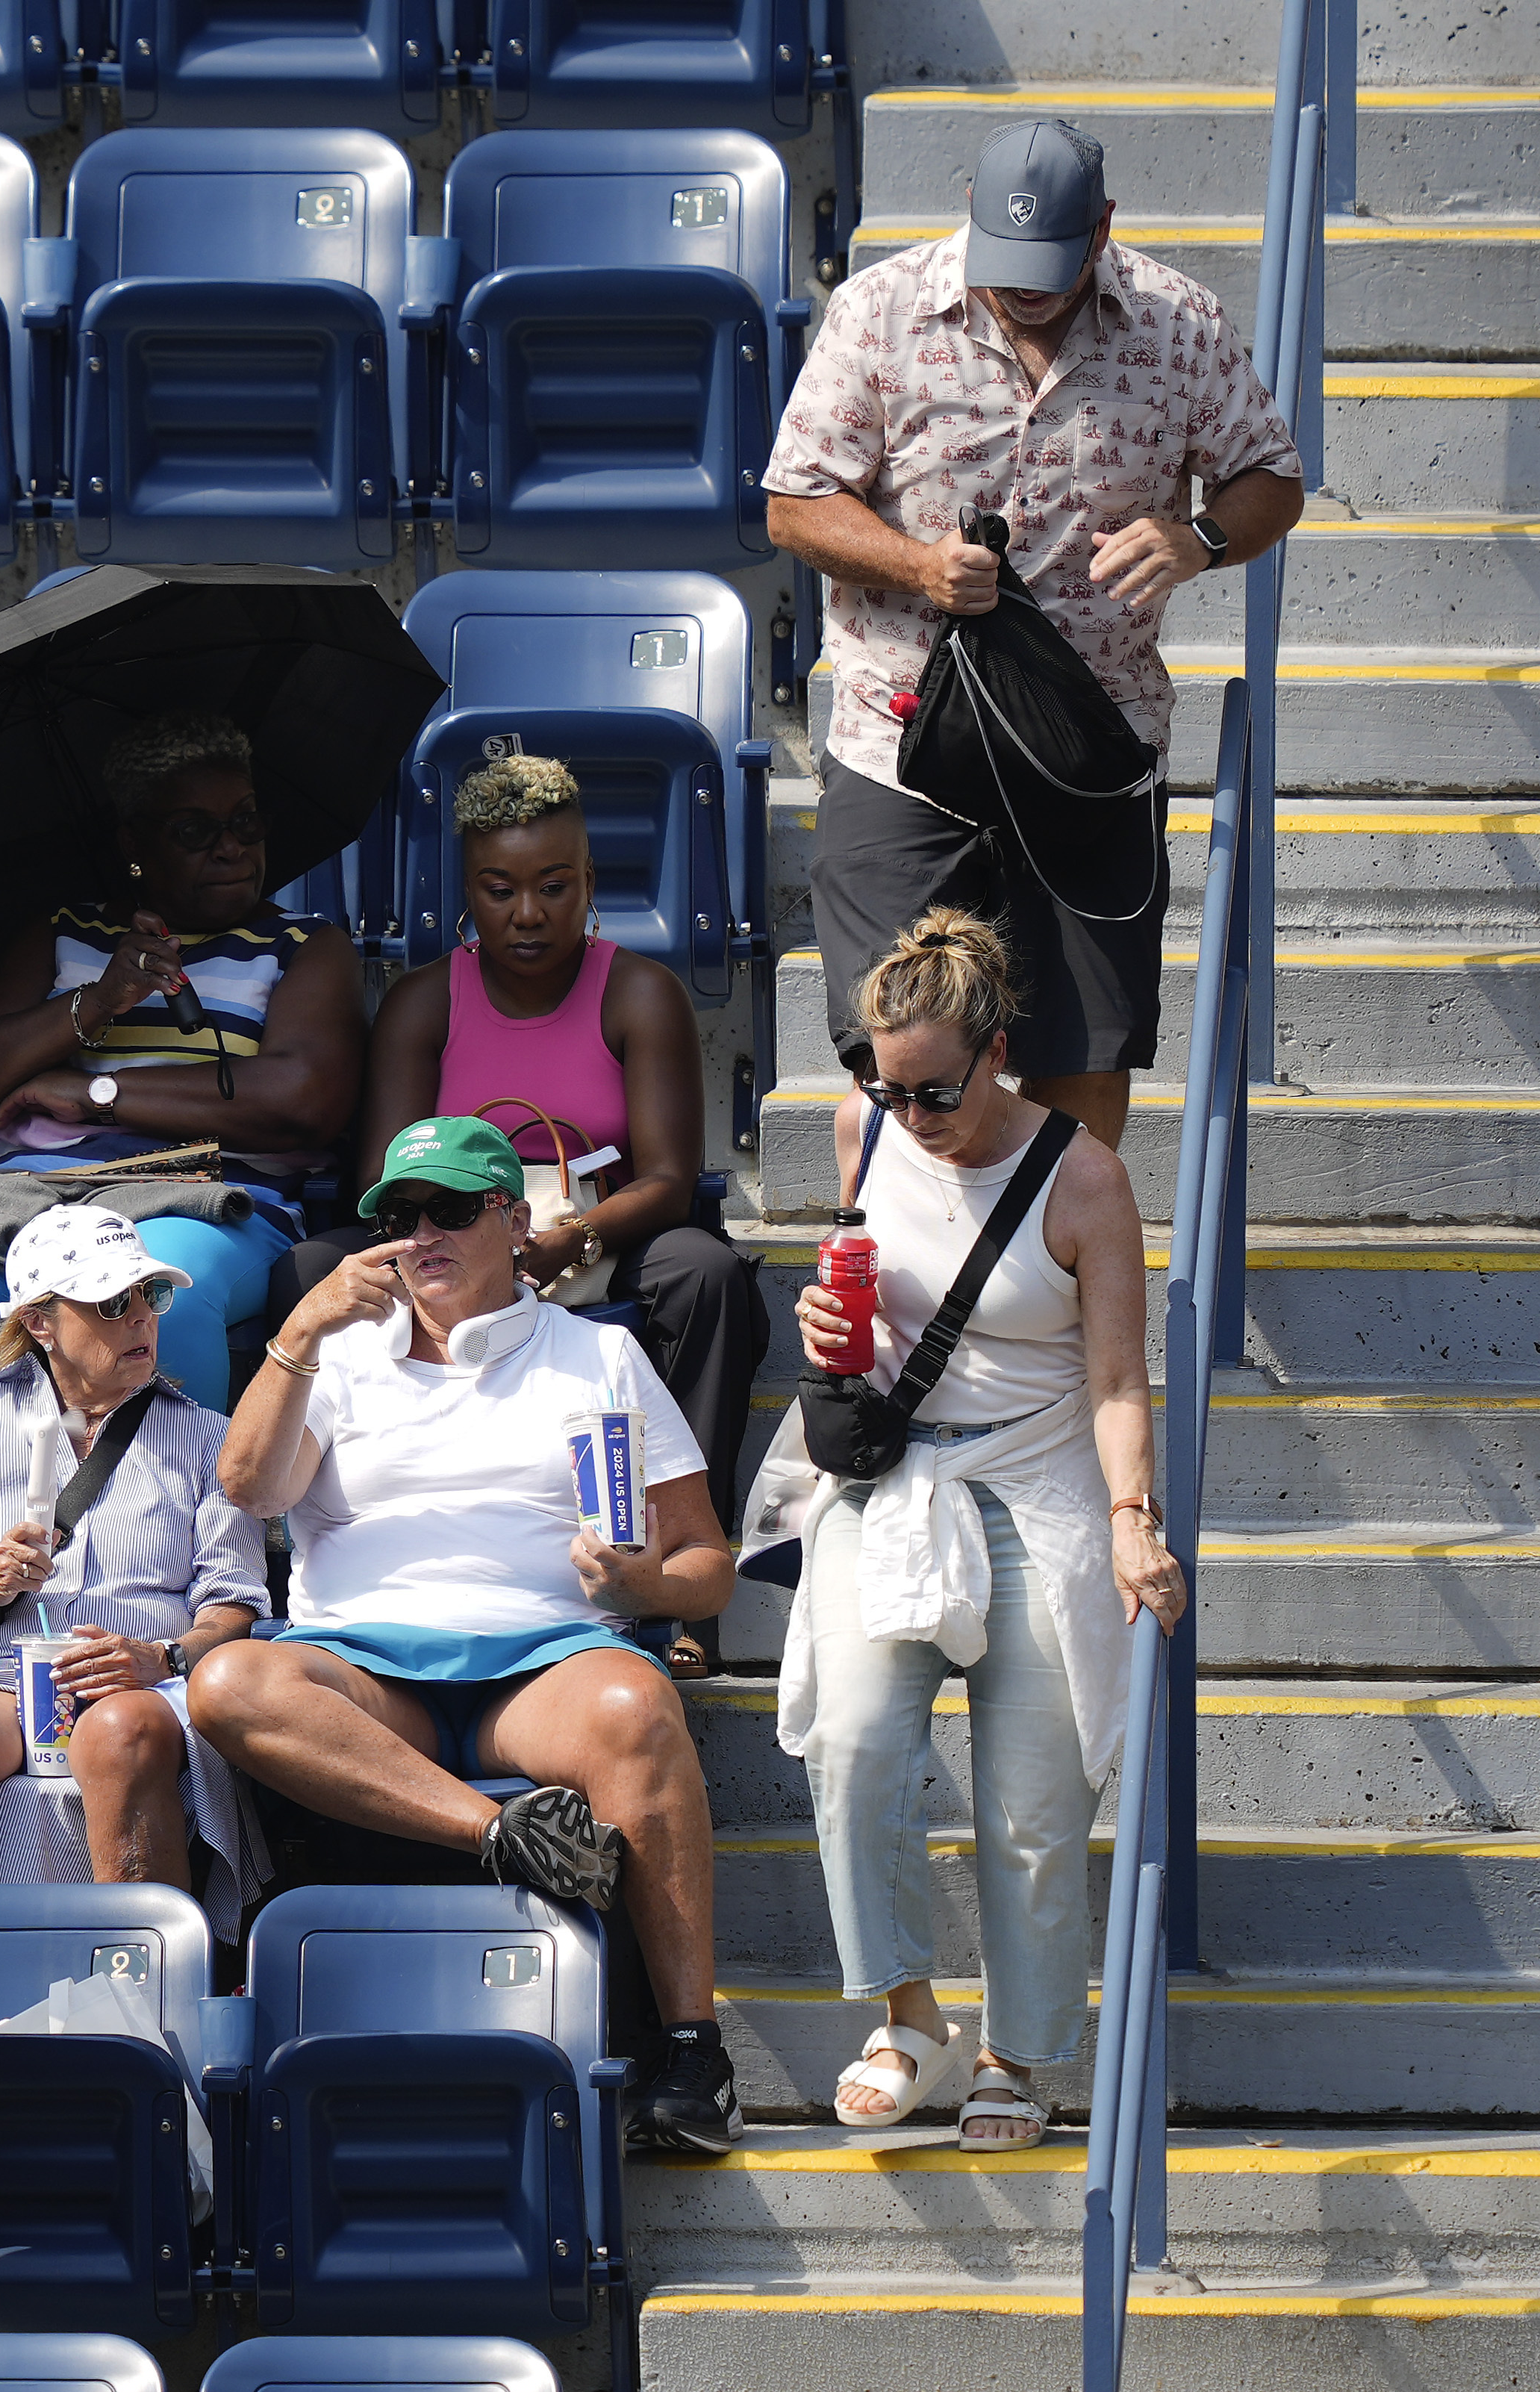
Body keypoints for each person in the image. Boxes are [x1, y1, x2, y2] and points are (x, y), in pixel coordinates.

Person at [194, 1113, 744, 2152]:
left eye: (449, 1210)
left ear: (511, 1217)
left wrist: (642, 1578)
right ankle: (495, 1833)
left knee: (637, 1702)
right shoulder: (335, 1356)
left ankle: (692, 2049)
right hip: (364, 1665)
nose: (421, 1235)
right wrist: (299, 1332)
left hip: (542, 1658)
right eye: (398, 1216)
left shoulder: (599, 1352)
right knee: (227, 1683)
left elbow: (708, 1570)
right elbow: (248, 1485)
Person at [765, 116, 1305, 1148]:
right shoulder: (878, 308)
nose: (1024, 290)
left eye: (1050, 264)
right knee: (902, 1065)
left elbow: (1272, 480)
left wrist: (1198, 536)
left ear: (1102, 230)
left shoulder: (1177, 321)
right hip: (900, 747)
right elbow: (796, 505)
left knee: (1081, 1065)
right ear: (968, 216)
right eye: (1003, 263)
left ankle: (1064, 1303)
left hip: (1089, 757)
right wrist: (917, 564)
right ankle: (912, 1305)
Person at [759, 910, 1182, 2151]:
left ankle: (1016, 2051)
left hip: (1037, 1482)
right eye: (880, 1085)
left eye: (933, 1089)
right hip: (893, 1479)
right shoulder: (865, 1128)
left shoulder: (1081, 1176)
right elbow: (854, 1298)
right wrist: (825, 1342)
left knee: (1031, 1800)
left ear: (997, 1051)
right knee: (848, 1743)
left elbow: (1115, 1380)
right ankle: (905, 2017)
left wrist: (1129, 1518)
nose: (905, 1113)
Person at [263, 751, 765, 1673]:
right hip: (455, 1224)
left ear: (589, 884)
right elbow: (387, 1173)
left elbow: (669, 1174)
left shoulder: (639, 991)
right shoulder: (423, 1001)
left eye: (553, 886)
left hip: (602, 1227)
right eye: (499, 889)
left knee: (709, 1274)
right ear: (467, 891)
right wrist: (474, 1235)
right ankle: (284, 1570)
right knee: (303, 1269)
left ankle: (689, 1597)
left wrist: (558, 1243)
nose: (527, 913)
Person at [0, 714, 362, 1451]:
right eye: (194, 830)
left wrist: (92, 1093)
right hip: (19, 1185)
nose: (232, 845)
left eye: (245, 821)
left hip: (197, 1194)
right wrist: (97, 1002)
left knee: (162, 1294)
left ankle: (164, 1546)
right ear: (134, 844)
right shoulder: (61, 932)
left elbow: (301, 1101)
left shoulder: (304, 945)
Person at [0, 1204, 266, 1892]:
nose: (141, 1317)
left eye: (150, 1295)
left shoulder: (211, 1440)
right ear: (39, 1323)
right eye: (110, 1301)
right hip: (7, 1680)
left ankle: (141, 1974)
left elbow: (233, 1609)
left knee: (118, 1728)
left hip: (155, 1686)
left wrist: (158, 1657)